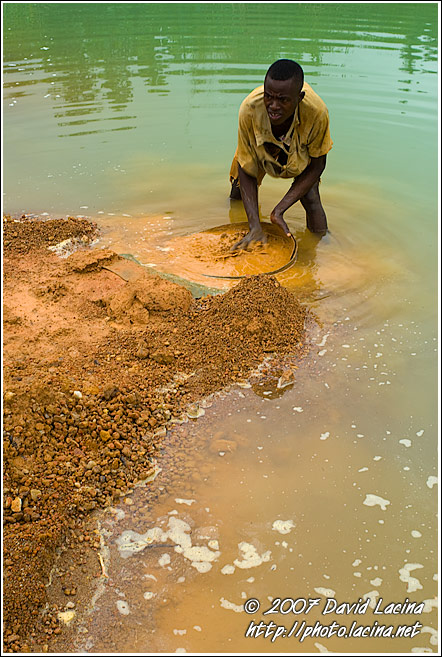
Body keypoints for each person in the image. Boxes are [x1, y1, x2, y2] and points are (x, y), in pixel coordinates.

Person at [229, 59, 332, 250]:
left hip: (299, 154)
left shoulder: (317, 113)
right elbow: (246, 165)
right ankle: (248, 226)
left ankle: (323, 245)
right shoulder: (250, 109)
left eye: (283, 100)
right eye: (269, 97)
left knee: (310, 196)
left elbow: (318, 165)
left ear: (299, 98)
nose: (274, 106)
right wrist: (254, 226)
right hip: (260, 148)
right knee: (238, 191)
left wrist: (278, 211)